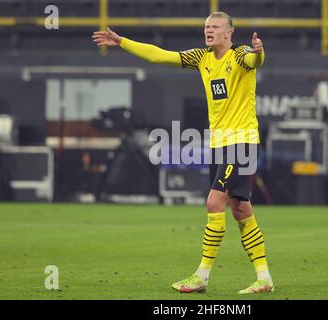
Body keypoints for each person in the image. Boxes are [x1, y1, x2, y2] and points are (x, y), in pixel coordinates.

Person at [92, 11, 273, 294]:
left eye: (215, 27)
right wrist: (123, 42)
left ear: (229, 33)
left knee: (214, 203)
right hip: (219, 144)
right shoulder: (201, 58)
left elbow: (254, 61)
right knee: (240, 208)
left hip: (241, 143)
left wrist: (260, 52)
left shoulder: (239, 55)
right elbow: (160, 55)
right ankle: (264, 278)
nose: (208, 31)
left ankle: (201, 275)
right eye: (206, 27)